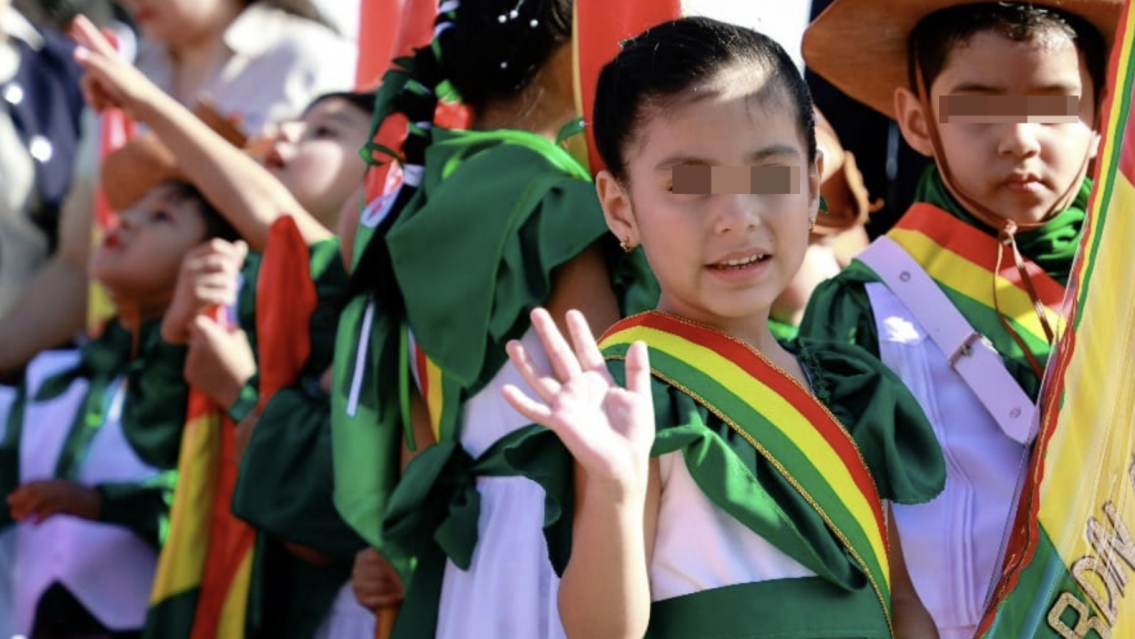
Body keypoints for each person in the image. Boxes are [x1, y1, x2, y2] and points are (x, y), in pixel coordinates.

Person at [500, 16, 946, 639]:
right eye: (690, 183)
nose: (737, 216)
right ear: (620, 207)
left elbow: (898, 602)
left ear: (813, 185)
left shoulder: (848, 386)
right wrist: (614, 488)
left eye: (769, 175)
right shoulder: (633, 397)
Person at [328, 0, 658, 636]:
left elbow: (419, 421)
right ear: (571, 52)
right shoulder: (557, 200)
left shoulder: (392, 206)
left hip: (459, 550)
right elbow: (600, 385)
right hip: (560, 536)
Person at [799, 2, 1119, 638]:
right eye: (976, 106)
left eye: (1056, 105)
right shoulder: (861, 312)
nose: (1021, 139)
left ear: (1101, 118)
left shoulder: (1124, 274)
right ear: (917, 121)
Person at [69, 14, 378, 636]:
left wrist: (241, 392)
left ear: (382, 172)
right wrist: (178, 339)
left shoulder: (360, 289)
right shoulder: (242, 284)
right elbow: (157, 442)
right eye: (292, 119)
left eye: (324, 130)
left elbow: (323, 505)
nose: (285, 132)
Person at [0, 0, 357, 377]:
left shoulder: (305, 57)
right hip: (141, 379)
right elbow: (78, 263)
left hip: (262, 377)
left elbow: (295, 235)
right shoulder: (136, 63)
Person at [2, 177, 239, 639]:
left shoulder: (212, 372)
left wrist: (102, 504)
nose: (126, 219)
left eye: (162, 217)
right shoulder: (54, 371)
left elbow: (211, 501)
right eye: (133, 206)